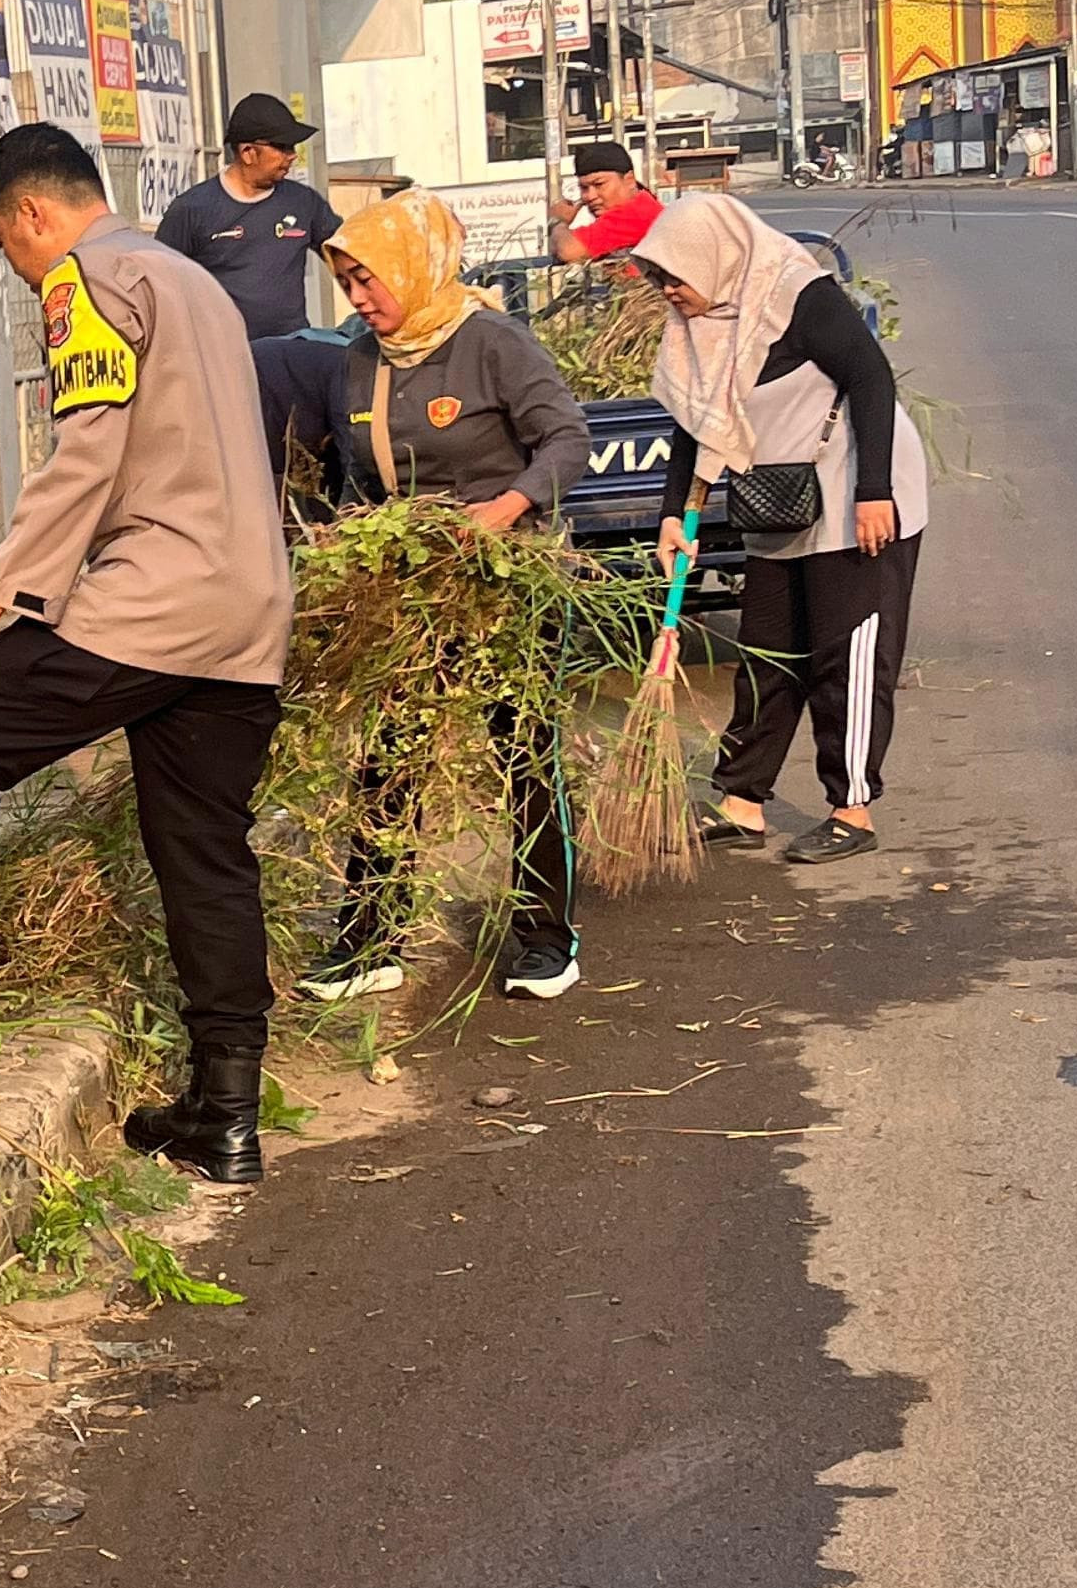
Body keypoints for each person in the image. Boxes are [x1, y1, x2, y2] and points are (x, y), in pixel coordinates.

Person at [0, 122, 292, 1184]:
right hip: (248, 607)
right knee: (206, 855)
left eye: (3, 244)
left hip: (154, 599)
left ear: (32, 215)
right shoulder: (193, 279)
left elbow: (87, 452)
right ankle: (226, 1116)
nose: (14, 264)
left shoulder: (87, 277)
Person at [290, 189, 595, 1005]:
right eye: (348, 284)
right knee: (390, 759)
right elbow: (357, 474)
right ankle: (369, 939)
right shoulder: (360, 358)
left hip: (506, 582)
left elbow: (567, 438)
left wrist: (511, 505)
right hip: (413, 590)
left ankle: (546, 937)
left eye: (368, 282)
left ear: (412, 268)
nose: (358, 300)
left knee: (521, 753)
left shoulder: (492, 341)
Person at [639, 197, 927, 866]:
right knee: (767, 652)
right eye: (658, 279)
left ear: (714, 255)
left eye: (674, 274)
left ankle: (850, 809)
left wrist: (873, 492)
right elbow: (692, 428)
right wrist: (675, 518)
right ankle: (742, 802)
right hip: (777, 502)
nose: (669, 291)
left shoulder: (797, 294)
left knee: (843, 654)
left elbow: (870, 377)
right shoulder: (697, 325)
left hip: (854, 491)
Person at [153, 90, 345, 339]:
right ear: (248, 153)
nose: (292, 155)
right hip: (224, 357)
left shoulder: (304, 202)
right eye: (282, 147)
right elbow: (158, 286)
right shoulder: (192, 209)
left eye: (293, 147)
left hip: (290, 353)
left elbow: (349, 258)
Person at [552, 139, 661, 266]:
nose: (589, 196)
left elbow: (568, 250)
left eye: (599, 184)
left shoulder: (638, 213)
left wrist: (557, 222)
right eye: (584, 188)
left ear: (629, 180)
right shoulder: (643, 205)